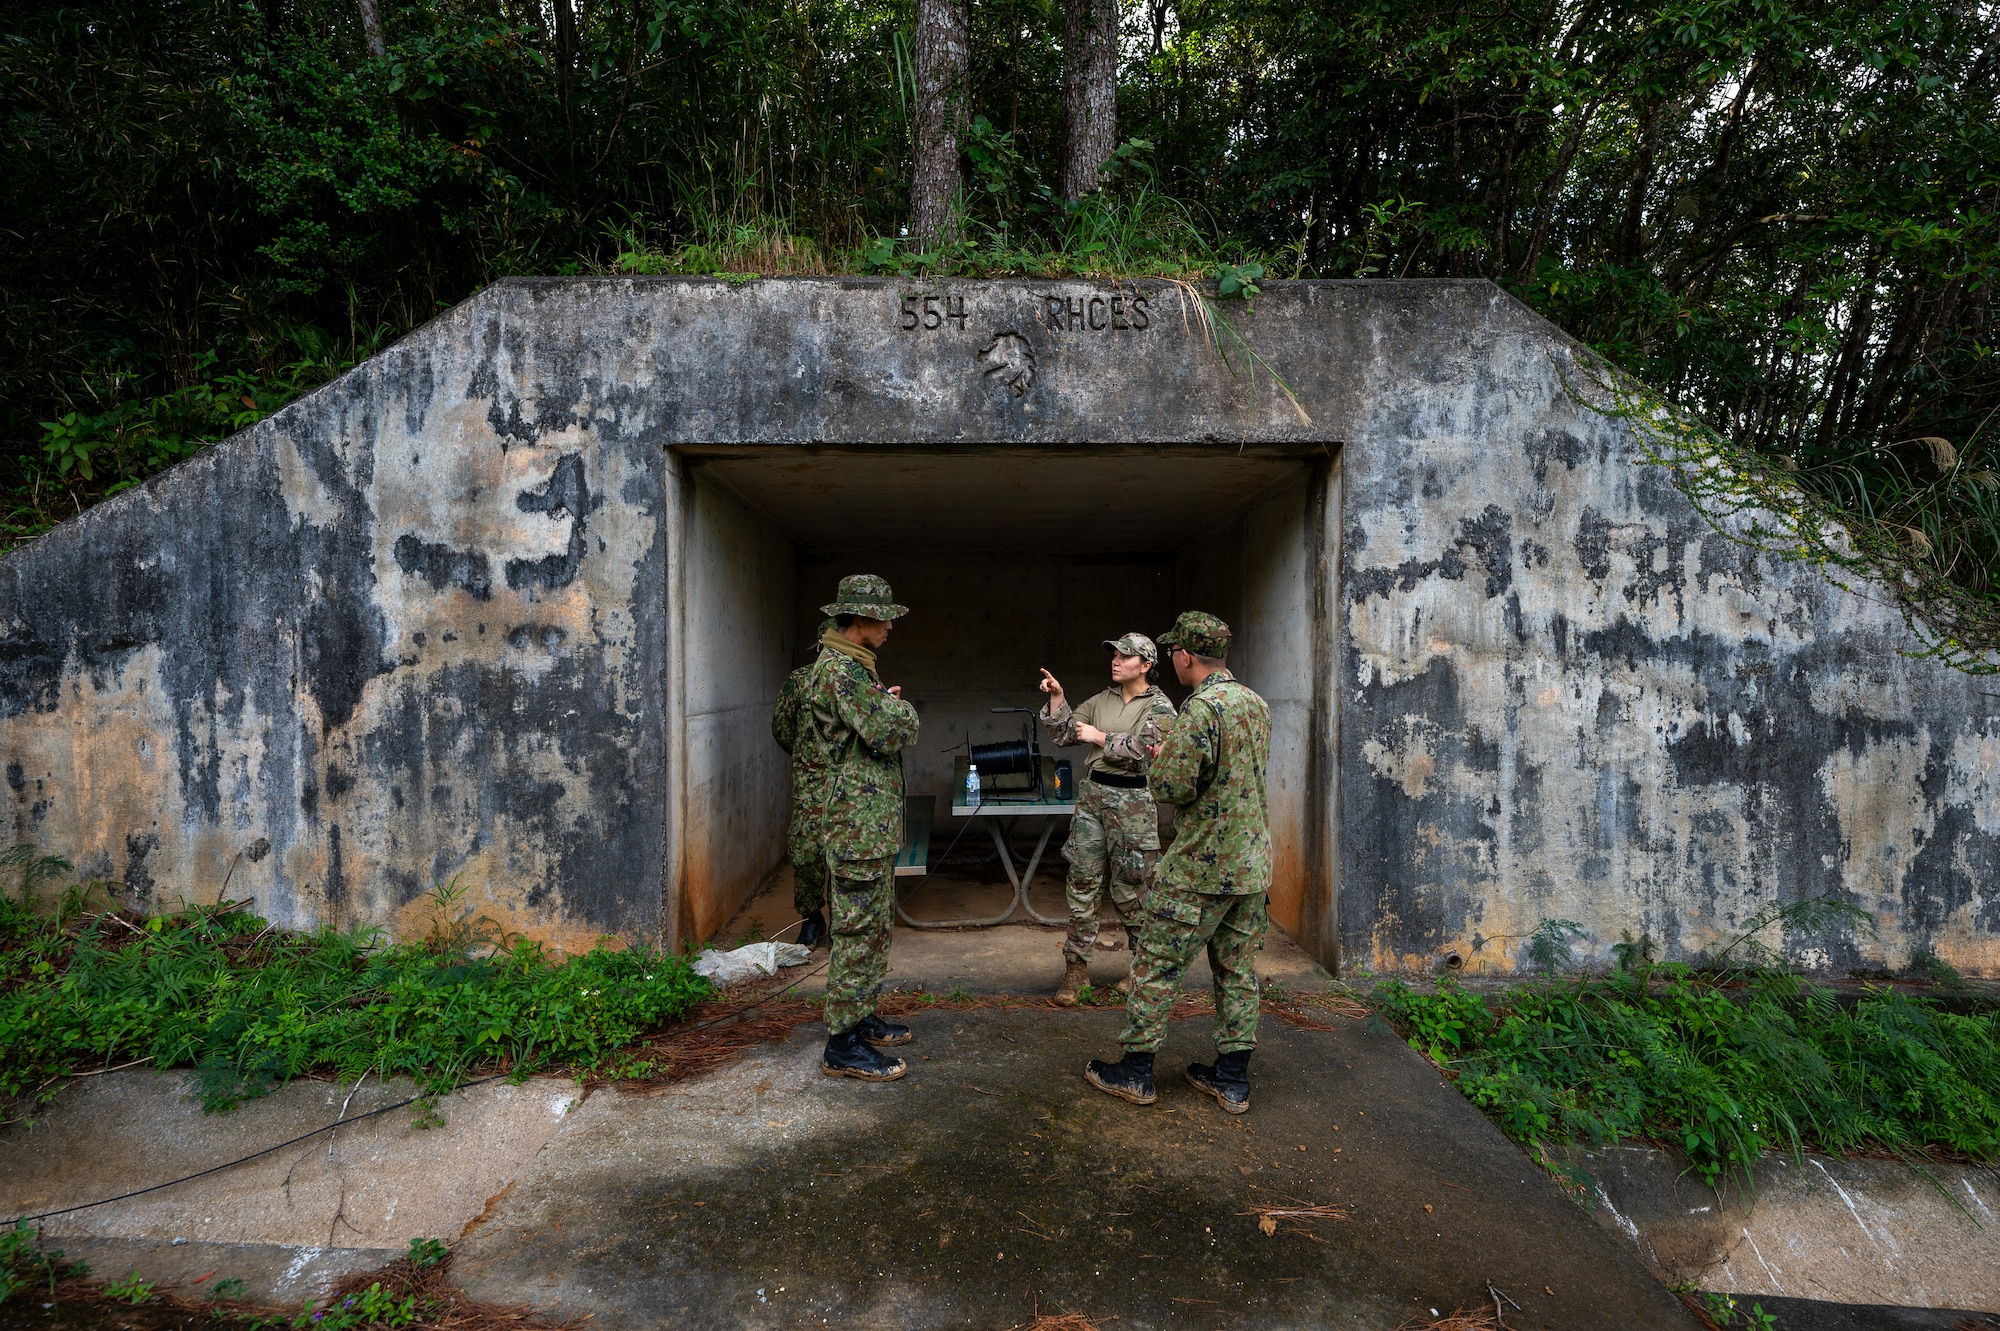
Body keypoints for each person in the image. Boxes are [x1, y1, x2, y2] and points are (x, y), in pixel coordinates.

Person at [1083, 611, 1272, 1115]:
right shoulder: (1254, 703)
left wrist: (1164, 756)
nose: (1174, 660)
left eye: (1174, 653)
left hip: (1202, 866)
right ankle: (1232, 1080)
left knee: (1157, 963)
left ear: (1186, 656)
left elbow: (1172, 787)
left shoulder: (1201, 710)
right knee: (1236, 970)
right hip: (1252, 864)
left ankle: (1136, 1071)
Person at [806, 574, 922, 1081]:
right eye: (885, 619)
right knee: (857, 929)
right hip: (857, 823)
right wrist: (899, 708)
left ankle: (859, 1015)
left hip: (867, 822)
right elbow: (891, 728)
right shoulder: (842, 671)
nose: (891, 627)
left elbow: (871, 723)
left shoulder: (854, 670)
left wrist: (883, 703)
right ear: (860, 620)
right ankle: (842, 1043)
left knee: (874, 926)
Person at [1037, 633, 1177, 1006]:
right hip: (1093, 796)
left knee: (1132, 889)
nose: (1115, 661)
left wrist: (1100, 737)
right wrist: (1057, 699)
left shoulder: (1161, 707)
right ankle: (1075, 972)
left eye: (1125, 656)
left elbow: (1144, 753)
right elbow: (1066, 734)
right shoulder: (1103, 699)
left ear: (1146, 666)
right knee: (1082, 882)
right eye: (1114, 655)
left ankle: (1145, 972)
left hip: (1132, 800)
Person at [771, 618, 837, 949]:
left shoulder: (857, 681)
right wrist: (804, 757)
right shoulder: (798, 682)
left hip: (846, 787)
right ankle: (812, 918)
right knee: (807, 855)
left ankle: (843, 922)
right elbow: (782, 728)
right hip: (810, 790)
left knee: (844, 855)